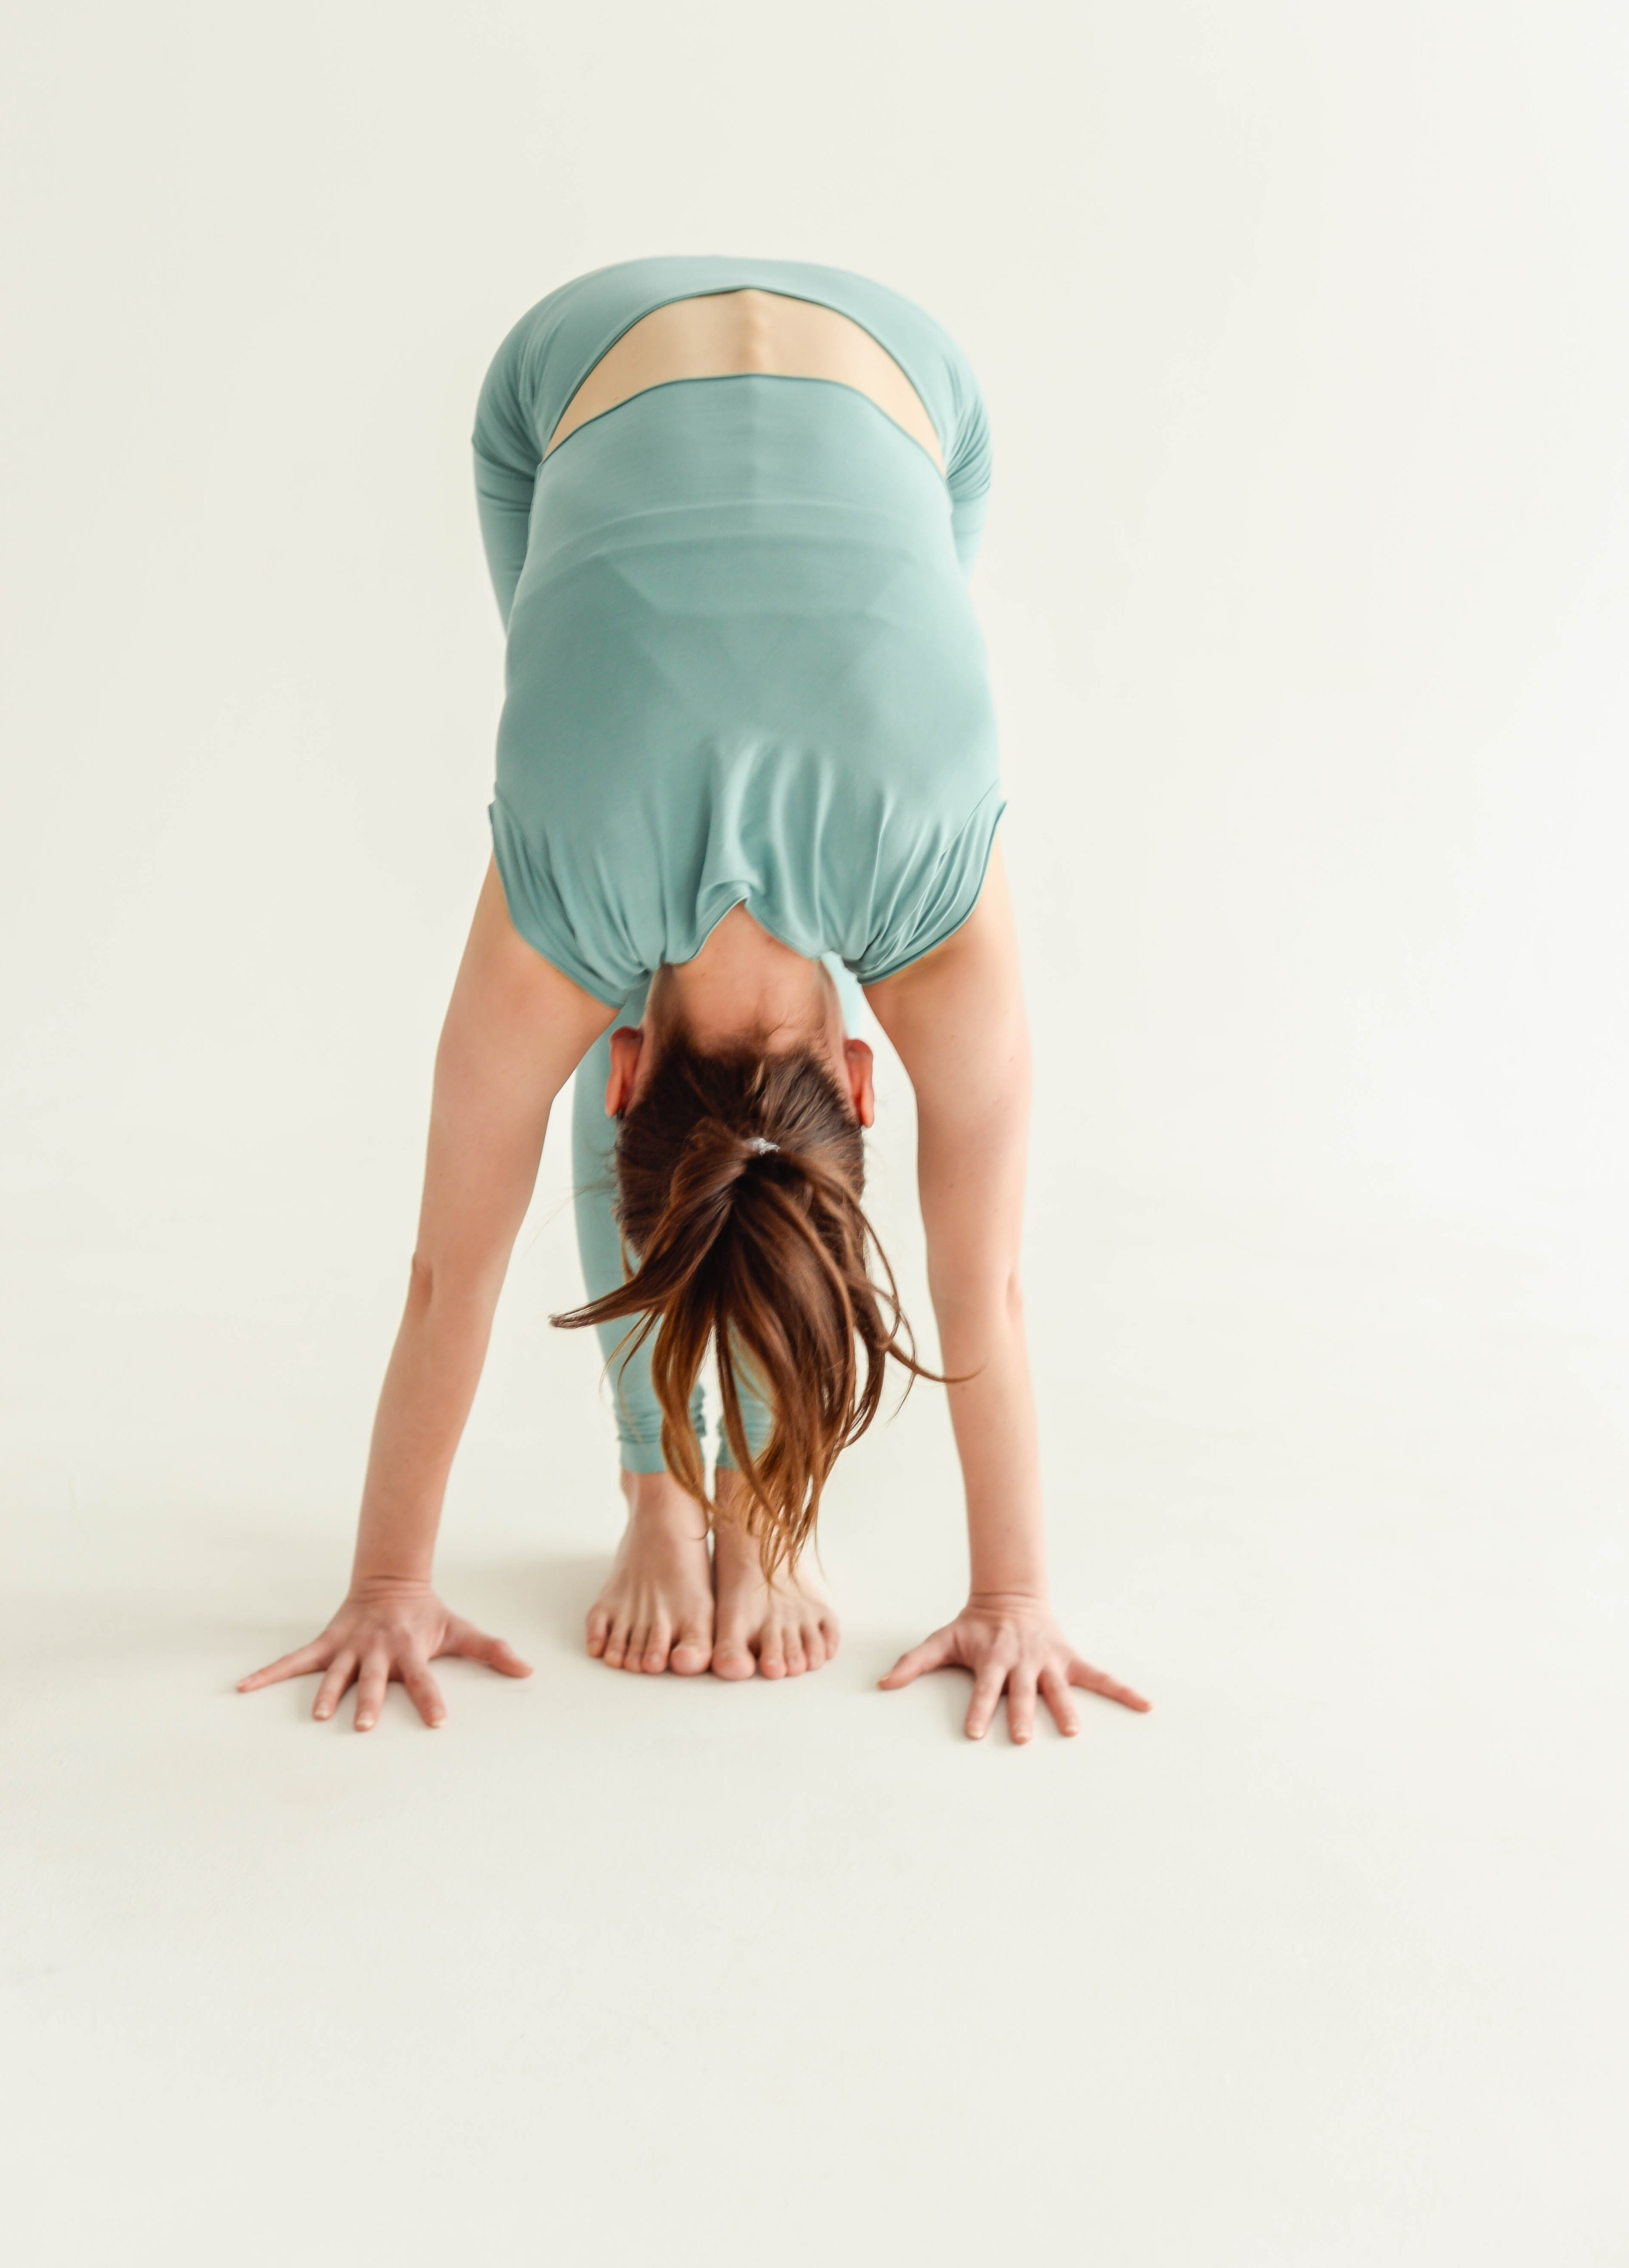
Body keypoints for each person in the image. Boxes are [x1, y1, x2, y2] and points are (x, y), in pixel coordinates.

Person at [239, 257, 1150, 1745]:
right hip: (756, 373)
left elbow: (439, 1279)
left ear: (862, 1083)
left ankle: (739, 1504)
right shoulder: (635, 906)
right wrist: (1014, 1599)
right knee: (714, 1144)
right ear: (867, 1079)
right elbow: (985, 1289)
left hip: (828, 371)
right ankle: (670, 1491)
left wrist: (388, 1582)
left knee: (719, 1154)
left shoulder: (594, 907)